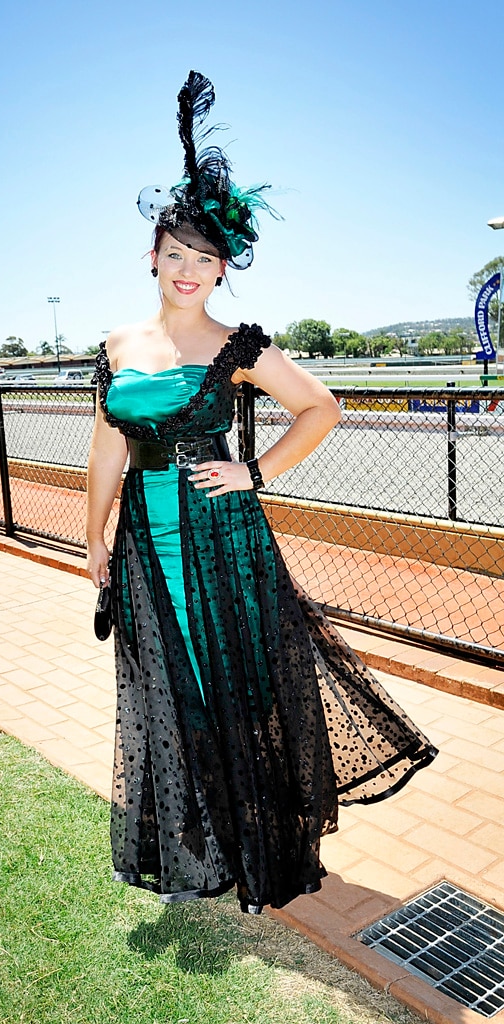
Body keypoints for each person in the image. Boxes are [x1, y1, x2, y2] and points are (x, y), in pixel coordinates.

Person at [86, 71, 436, 915]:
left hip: (219, 533)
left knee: (234, 683)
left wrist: (256, 470)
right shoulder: (120, 341)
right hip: (144, 533)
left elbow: (322, 408)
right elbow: (105, 444)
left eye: (204, 260)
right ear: (154, 255)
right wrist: (93, 537)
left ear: (221, 269)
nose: (187, 271)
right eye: (175, 255)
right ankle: (194, 840)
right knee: (167, 682)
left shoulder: (238, 342)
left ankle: (258, 839)